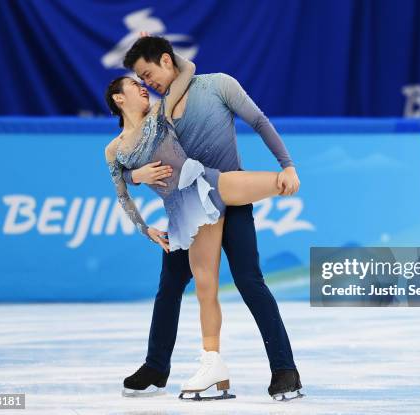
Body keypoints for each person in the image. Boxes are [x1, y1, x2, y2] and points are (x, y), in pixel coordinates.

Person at [117, 36, 303, 401]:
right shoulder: (159, 114)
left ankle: (285, 370)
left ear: (167, 61)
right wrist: (132, 177)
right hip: (190, 211)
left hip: (229, 200)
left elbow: (260, 122)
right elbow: (124, 159)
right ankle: (156, 367)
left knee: (249, 280)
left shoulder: (219, 85)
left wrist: (287, 165)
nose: (147, 83)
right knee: (170, 285)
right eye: (140, 78)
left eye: (148, 72)